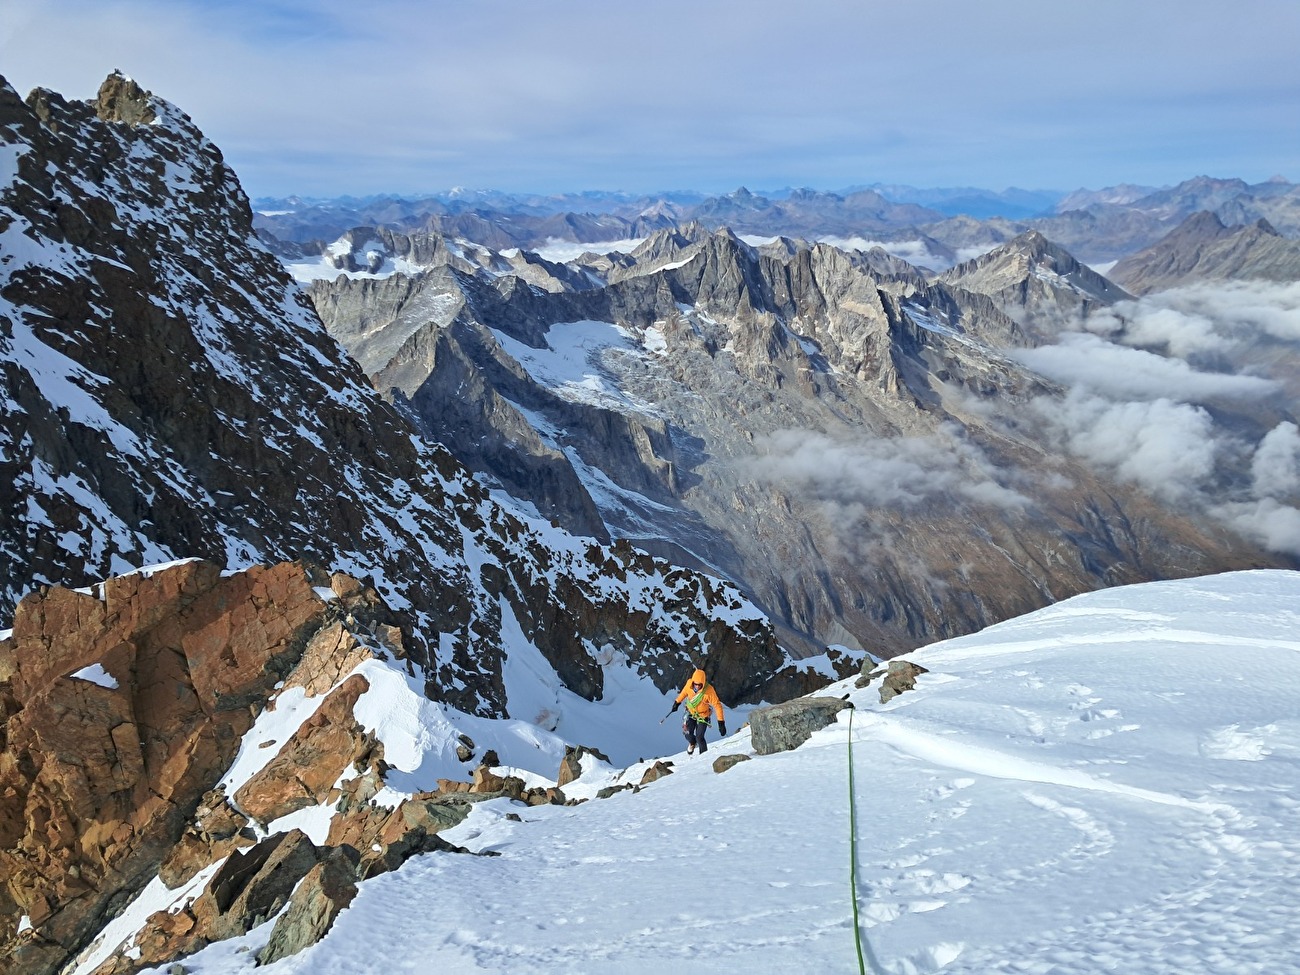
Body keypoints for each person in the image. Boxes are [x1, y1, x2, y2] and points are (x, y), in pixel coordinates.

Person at [671, 668, 727, 755]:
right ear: (693, 682)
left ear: (703, 683)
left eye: (699, 685)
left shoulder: (709, 691)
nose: (697, 686)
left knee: (700, 737)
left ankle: (703, 757)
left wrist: (721, 723)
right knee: (687, 734)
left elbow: (717, 705)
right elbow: (683, 693)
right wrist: (677, 702)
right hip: (690, 713)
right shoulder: (689, 684)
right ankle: (692, 743)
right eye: (695, 684)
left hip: (703, 715)